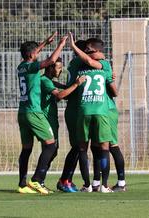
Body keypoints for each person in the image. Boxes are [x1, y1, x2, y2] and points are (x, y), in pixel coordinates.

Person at [17, 32, 67, 194]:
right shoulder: (32, 67)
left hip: (22, 112)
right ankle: (37, 180)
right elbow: (51, 61)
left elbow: (33, 52)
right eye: (36, 53)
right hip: (34, 112)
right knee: (51, 145)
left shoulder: (21, 66)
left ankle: (22, 184)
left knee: (26, 149)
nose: (38, 55)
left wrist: (45, 42)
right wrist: (60, 45)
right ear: (32, 55)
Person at [68, 33, 117, 193]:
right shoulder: (105, 66)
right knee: (104, 148)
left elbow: (87, 61)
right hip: (101, 112)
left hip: (84, 111)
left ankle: (88, 185)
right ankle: (103, 185)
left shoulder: (80, 70)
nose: (87, 53)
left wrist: (73, 46)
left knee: (83, 148)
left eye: (89, 50)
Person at [56, 40, 105, 193]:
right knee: (79, 147)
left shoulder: (78, 63)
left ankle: (94, 182)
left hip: (85, 110)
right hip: (76, 111)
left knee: (90, 147)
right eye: (88, 50)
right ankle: (66, 179)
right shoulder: (79, 63)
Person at [39, 58, 86, 192]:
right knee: (50, 149)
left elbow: (62, 90)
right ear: (50, 68)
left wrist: (70, 88)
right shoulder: (44, 81)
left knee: (53, 151)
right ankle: (38, 180)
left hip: (52, 120)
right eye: (58, 67)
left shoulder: (49, 81)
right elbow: (60, 96)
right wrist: (76, 84)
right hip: (46, 120)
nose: (61, 70)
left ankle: (40, 180)